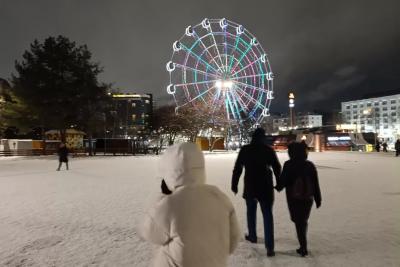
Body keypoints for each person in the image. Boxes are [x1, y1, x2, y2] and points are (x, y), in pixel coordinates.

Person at [139, 143, 241, 267]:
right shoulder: (219, 197)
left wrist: (161, 197)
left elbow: (150, 233)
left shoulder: (171, 203)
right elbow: (233, 242)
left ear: (169, 171)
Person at [231, 127, 281, 257]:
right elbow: (276, 166)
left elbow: (238, 168)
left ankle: (252, 235)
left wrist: (234, 184)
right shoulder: (268, 150)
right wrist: (280, 183)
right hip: (265, 187)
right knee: (268, 216)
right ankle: (270, 247)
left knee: (251, 212)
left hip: (251, 186)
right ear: (263, 137)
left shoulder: (245, 150)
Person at [276, 142, 322, 257]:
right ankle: (303, 244)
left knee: (298, 221)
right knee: (303, 221)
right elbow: (315, 183)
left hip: (293, 198)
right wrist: (318, 198)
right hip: (308, 198)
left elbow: (283, 181)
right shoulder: (309, 165)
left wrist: (278, 187)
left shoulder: (289, 164)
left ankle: (303, 247)